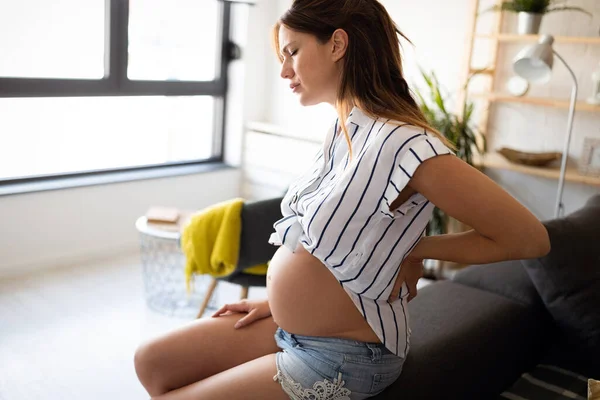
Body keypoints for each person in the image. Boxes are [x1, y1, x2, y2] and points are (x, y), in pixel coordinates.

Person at [134, 0, 551, 399]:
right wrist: (276, 303)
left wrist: (411, 249)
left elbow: (529, 238)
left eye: (292, 51)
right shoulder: (345, 129)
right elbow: (334, 246)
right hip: (291, 327)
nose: (283, 71)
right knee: (151, 362)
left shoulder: (407, 144)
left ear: (336, 44)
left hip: (342, 355)